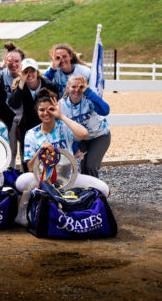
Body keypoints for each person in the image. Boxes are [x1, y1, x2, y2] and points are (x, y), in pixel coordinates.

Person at [14, 88, 109, 226]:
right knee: (21, 182)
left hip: (70, 177)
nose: (46, 113)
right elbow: (29, 167)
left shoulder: (64, 126)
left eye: (50, 109)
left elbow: (83, 134)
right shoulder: (31, 134)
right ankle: (25, 212)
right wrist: (40, 152)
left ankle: (82, 209)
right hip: (44, 180)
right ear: (37, 112)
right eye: (42, 110)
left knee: (104, 189)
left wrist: (61, 116)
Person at [8, 58, 59, 172]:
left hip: (46, 123)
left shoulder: (49, 85)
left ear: (37, 71)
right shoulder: (21, 86)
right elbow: (13, 103)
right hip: (27, 127)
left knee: (49, 154)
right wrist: (21, 82)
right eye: (26, 71)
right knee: (27, 158)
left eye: (32, 71)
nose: (29, 74)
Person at [59, 75, 111, 178]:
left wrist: (88, 91)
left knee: (91, 166)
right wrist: (75, 149)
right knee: (78, 164)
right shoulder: (61, 106)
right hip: (80, 140)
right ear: (67, 88)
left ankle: (95, 191)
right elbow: (63, 130)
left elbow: (105, 110)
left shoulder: (88, 99)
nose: (77, 90)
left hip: (99, 136)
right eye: (74, 87)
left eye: (80, 87)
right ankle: (82, 191)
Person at [0, 43, 25, 170]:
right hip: (8, 115)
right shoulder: (1, 74)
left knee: (24, 148)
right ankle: (10, 172)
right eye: (10, 61)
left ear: (22, 62)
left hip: (23, 115)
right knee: (10, 148)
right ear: (5, 61)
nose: (13, 64)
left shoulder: (26, 74)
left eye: (17, 61)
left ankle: (23, 172)